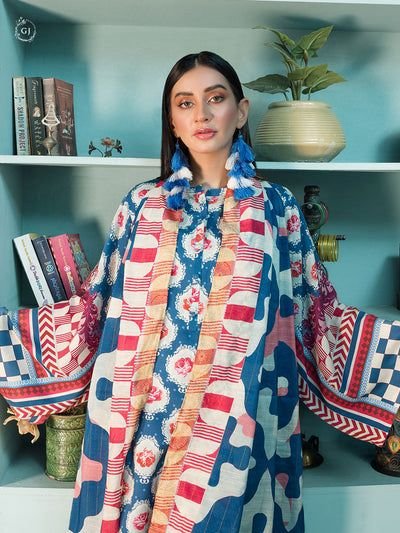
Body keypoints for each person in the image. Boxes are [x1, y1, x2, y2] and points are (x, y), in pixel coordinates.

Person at [1, 51, 400, 533]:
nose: (202, 115)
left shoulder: (276, 209)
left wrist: (390, 352)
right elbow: (96, 305)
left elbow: (317, 313)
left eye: (216, 98)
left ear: (242, 110)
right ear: (172, 119)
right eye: (185, 103)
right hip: (147, 417)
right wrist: (11, 336)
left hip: (241, 418)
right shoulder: (142, 205)